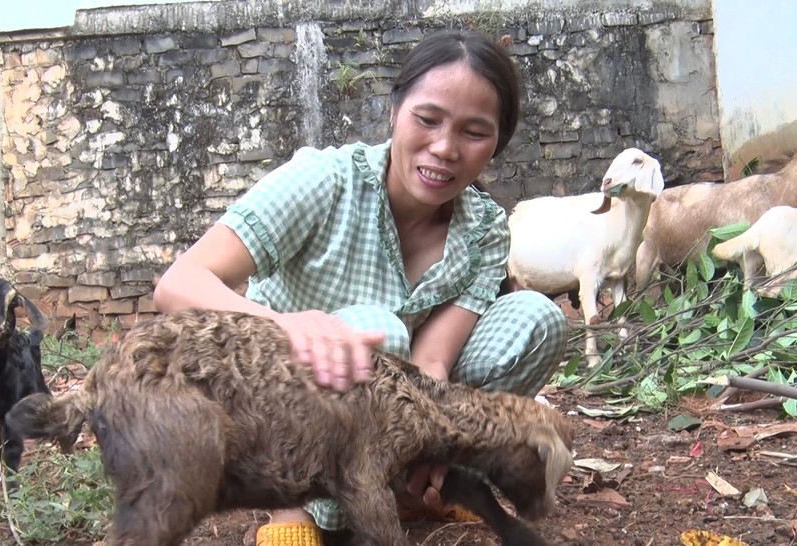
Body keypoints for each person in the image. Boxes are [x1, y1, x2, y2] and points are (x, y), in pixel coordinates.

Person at [153, 29, 568, 546]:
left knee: (536, 320)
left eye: (474, 132)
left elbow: (432, 364)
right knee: (378, 336)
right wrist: (287, 327)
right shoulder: (324, 180)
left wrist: (435, 445)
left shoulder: (482, 229)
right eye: (428, 119)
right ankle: (296, 511)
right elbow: (177, 285)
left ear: (497, 144)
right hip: (274, 409)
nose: (444, 148)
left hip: (377, 406)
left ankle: (415, 489)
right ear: (395, 110)